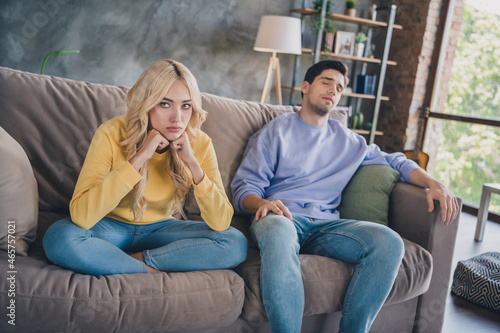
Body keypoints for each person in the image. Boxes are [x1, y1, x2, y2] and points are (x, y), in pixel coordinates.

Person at [231, 60, 459, 333]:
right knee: (279, 230)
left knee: (389, 243)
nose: (333, 90)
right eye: (326, 82)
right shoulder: (275, 132)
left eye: (339, 87)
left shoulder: (349, 141)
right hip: (280, 217)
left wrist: (433, 183)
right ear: (305, 86)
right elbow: (244, 188)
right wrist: (263, 204)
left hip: (326, 226)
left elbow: (396, 162)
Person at [43, 59, 247, 275]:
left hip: (162, 230)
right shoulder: (110, 132)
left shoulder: (200, 143)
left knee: (234, 242)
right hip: (110, 227)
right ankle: (147, 273)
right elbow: (82, 216)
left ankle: (136, 262)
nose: (177, 118)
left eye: (185, 105)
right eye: (165, 104)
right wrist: (140, 158)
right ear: (146, 103)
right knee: (59, 237)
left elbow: (221, 221)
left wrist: (193, 165)